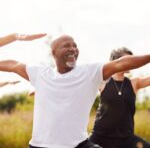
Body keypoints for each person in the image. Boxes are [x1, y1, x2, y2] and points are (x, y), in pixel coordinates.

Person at [0, 35, 149, 148]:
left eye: (75, 46)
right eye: (66, 46)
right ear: (54, 52)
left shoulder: (89, 72)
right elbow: (14, 65)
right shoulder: (40, 73)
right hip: (41, 145)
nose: (72, 49)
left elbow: (120, 63)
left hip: (79, 145)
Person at [89, 47, 150, 148]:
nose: (132, 62)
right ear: (116, 60)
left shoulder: (134, 83)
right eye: (128, 59)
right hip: (100, 137)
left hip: (127, 139)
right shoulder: (103, 82)